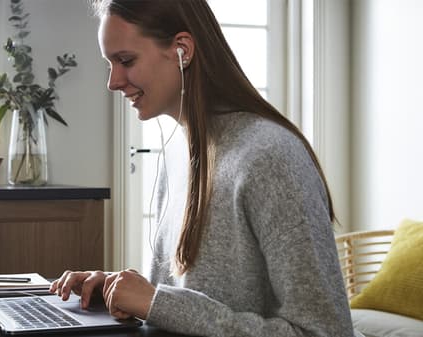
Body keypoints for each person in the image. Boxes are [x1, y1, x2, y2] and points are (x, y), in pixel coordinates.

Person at [49, 1, 354, 336]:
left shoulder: (271, 156)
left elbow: (325, 331)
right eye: (110, 64)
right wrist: (115, 291)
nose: (113, 82)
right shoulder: (178, 152)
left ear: (182, 50)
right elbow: (185, 303)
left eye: (125, 61)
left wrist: (155, 302)